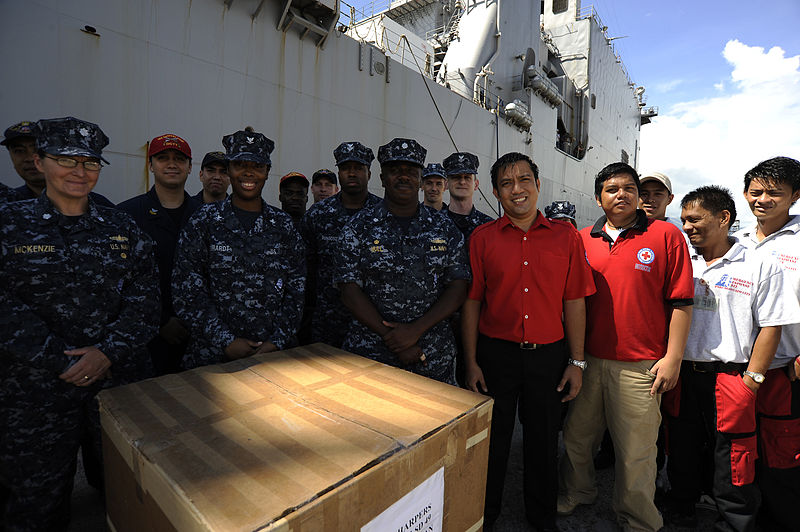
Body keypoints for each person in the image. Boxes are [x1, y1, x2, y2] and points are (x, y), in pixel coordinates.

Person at [0, 117, 159, 531]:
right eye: (66, 159)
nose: (79, 171)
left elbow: (146, 302)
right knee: (37, 500)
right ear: (40, 161)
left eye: (90, 162)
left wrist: (107, 352)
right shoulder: (9, 225)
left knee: (124, 489)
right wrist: (60, 360)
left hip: (115, 382)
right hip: (34, 392)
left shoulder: (122, 228)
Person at [464, 152, 595, 531]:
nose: (516, 189)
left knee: (542, 442)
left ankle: (541, 518)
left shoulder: (566, 237)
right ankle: (484, 514)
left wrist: (577, 362)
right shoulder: (482, 238)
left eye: (524, 180)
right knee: (492, 441)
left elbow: (574, 301)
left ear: (538, 185)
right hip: (495, 356)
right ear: (494, 192)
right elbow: (473, 302)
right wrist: (471, 361)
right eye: (506, 183)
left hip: (547, 359)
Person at [559, 162, 694, 532]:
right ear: (599, 197)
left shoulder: (667, 236)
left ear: (637, 195)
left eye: (629, 188)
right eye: (612, 189)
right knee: (576, 438)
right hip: (588, 360)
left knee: (636, 451)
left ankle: (638, 519)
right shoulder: (583, 238)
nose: (621, 194)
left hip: (641, 366)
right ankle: (578, 492)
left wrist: (673, 358)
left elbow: (681, 302)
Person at [664, 185, 800, 530]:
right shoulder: (682, 259)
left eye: (695, 219)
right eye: (683, 221)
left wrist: (752, 382)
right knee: (681, 449)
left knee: (733, 461)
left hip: (731, 378)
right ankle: (681, 510)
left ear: (724, 218)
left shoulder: (759, 263)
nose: (688, 227)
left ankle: (734, 522)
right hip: (684, 375)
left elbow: (771, 327)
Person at [336, 137, 470, 384]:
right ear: (382, 178)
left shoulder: (444, 227)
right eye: (395, 170)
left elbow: (458, 285)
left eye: (411, 171)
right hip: (371, 353)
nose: (403, 176)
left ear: (420, 179)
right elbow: (349, 290)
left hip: (432, 354)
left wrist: (415, 330)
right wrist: (394, 338)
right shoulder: (357, 228)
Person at [172, 129, 305, 369]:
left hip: (274, 357)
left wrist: (276, 340)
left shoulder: (283, 225)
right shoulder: (204, 221)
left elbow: (296, 289)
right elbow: (186, 289)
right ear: (230, 170)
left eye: (257, 165)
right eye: (240, 164)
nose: (249, 172)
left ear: (266, 172)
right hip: (211, 356)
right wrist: (226, 340)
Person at [734, 156, 800, 531]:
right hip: (737, 371)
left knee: (783, 457)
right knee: (740, 453)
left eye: (775, 193)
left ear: (795, 196)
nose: (763, 200)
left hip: (784, 370)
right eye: (755, 192)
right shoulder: (737, 241)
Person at [118, 134, 202, 375]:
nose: (172, 164)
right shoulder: (126, 215)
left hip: (200, 335)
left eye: (179, 159)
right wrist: (161, 320)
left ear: (189, 167)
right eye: (163, 158)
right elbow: (121, 279)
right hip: (145, 339)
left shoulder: (207, 216)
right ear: (151, 165)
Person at [300, 141, 381, 348]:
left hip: (374, 324)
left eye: (359, 169)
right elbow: (304, 268)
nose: (352, 174)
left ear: (369, 174)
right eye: (346, 168)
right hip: (327, 322)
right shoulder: (317, 215)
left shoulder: (384, 213)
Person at [2, 120, 116, 207]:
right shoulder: (7, 205)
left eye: (37, 149)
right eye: (19, 151)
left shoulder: (100, 207)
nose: (29, 158)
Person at [442, 151, 493, 241]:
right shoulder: (432, 224)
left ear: (476, 184)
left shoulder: (489, 227)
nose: (462, 182)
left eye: (467, 177)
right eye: (456, 177)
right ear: (446, 184)